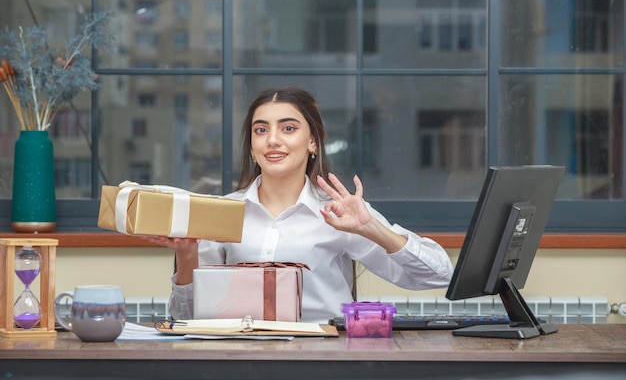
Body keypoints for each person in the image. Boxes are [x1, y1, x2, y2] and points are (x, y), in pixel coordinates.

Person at [146, 86, 454, 323]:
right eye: (261, 130)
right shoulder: (222, 213)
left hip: (325, 360)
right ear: (252, 147)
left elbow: (438, 275)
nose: (273, 140)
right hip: (241, 360)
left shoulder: (340, 212)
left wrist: (371, 228)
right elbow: (185, 317)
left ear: (312, 143)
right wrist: (187, 256)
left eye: (288, 128)